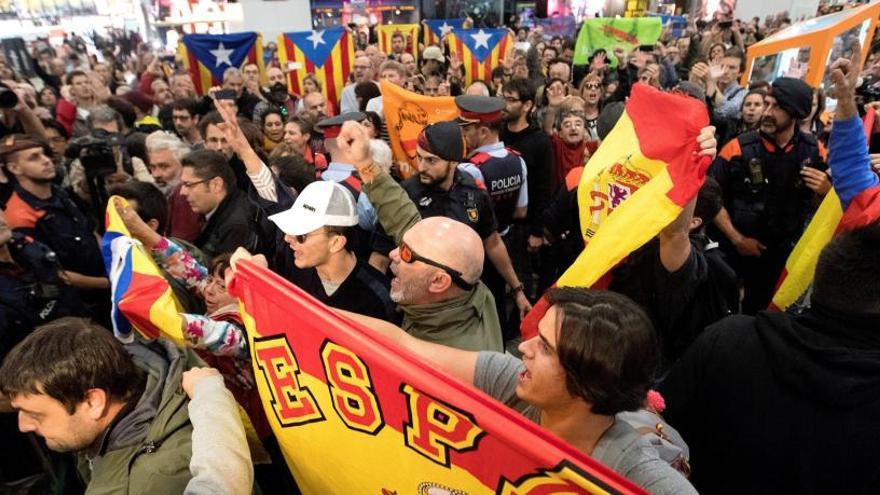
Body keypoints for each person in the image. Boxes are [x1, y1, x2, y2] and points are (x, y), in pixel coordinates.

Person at [661, 45, 880, 494]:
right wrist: (846, 103)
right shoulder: (730, 341)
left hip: (781, 271)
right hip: (744, 265)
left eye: (780, 106)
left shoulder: (729, 344)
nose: (766, 111)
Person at [335, 287, 696, 494]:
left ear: (587, 384)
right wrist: (292, 304)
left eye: (546, 348)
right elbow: (403, 346)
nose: (523, 348)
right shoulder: (513, 381)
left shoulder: (635, 473)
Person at [0, 317, 205, 493]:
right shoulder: (127, 378)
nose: (23, 425)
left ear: (92, 402)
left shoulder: (147, 485)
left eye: (35, 415)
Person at [710, 77, 829, 313]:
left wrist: (826, 192)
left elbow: (819, 208)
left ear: (795, 113)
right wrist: (737, 239)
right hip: (732, 252)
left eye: (776, 107)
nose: (767, 112)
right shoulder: (737, 147)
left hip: (779, 256)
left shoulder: (815, 152)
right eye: (766, 104)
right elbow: (710, 198)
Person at [2, 136, 109, 316]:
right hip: (78, 305)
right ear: (14, 168)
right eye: (34, 157)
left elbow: (90, 230)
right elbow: (54, 273)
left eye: (44, 154)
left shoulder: (60, 193)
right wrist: (107, 283)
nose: (46, 161)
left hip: (105, 285)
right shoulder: (20, 215)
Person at [265, 180, 398, 322]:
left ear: (335, 243)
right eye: (290, 229)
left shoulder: (376, 298)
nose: (287, 238)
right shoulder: (291, 263)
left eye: (301, 236)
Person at [179, 149, 262, 258]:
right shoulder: (227, 208)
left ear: (216, 185)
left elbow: (219, 271)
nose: (182, 192)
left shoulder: (236, 226)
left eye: (188, 184)